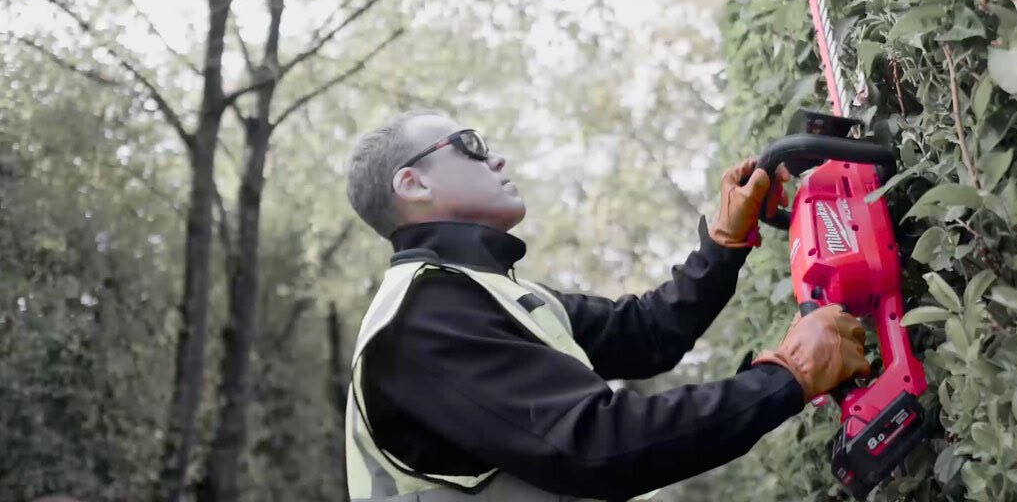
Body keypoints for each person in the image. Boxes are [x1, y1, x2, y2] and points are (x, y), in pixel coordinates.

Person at [343, 109, 872, 502]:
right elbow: (595, 444)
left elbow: (644, 335)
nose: (496, 157)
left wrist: (722, 243)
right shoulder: (418, 320)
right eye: (469, 144)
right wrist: (789, 376)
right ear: (413, 183)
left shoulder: (487, 293)